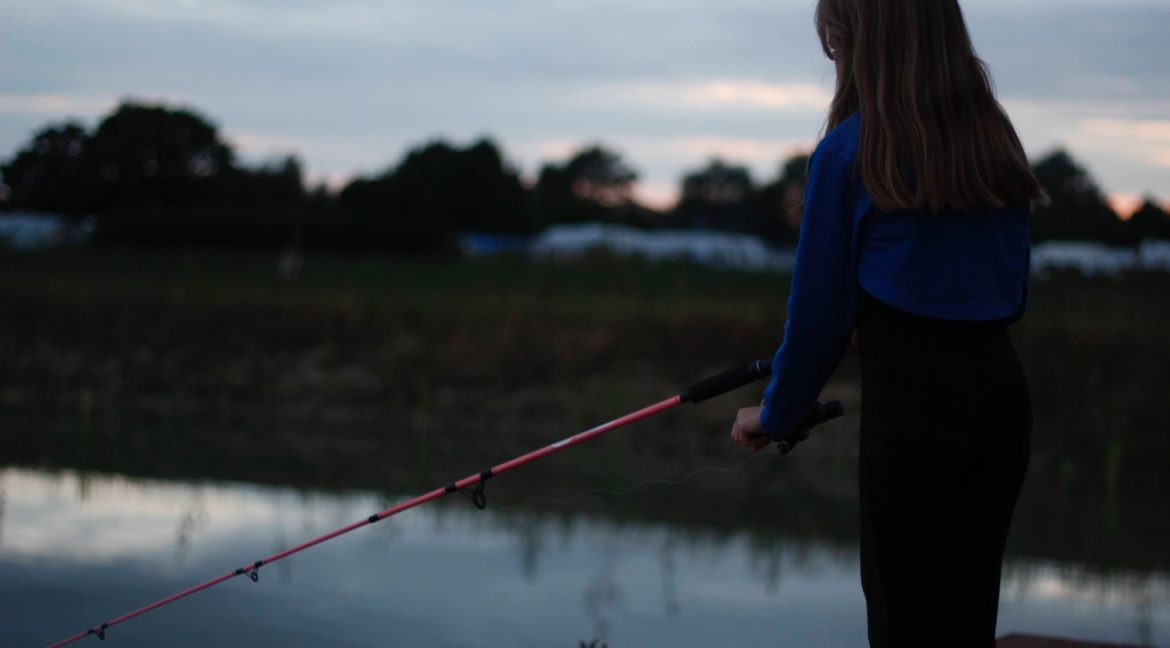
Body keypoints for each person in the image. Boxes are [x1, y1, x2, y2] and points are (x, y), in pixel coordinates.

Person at [728, 0, 1047, 645]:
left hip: (916, 417)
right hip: (999, 403)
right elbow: (1002, 293)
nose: (835, 59)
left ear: (862, 45)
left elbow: (816, 321)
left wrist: (776, 412)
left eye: (836, 45)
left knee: (905, 620)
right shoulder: (995, 139)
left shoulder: (847, 152)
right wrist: (881, 322)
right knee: (965, 616)